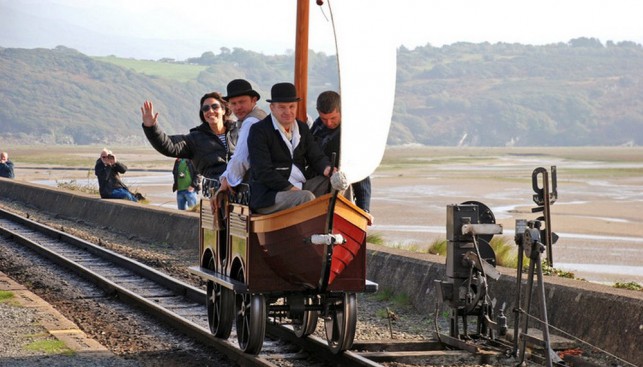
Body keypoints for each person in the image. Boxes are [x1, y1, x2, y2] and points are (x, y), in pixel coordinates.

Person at [247, 82, 333, 214]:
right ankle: (309, 233)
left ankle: (343, 229)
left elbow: (316, 156)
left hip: (301, 186)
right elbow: (262, 171)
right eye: (282, 107)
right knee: (306, 197)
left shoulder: (302, 128)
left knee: (337, 182)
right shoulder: (259, 131)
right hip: (270, 195)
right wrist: (290, 188)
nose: (288, 112)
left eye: (291, 106)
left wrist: (328, 169)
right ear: (272, 108)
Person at [141, 92, 236, 181]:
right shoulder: (194, 139)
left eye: (215, 107)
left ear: (223, 110)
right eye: (205, 108)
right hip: (217, 191)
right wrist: (151, 128)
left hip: (245, 189)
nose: (210, 111)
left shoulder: (240, 131)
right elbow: (168, 145)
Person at [310, 91, 372, 213]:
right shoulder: (317, 126)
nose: (328, 123)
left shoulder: (351, 132)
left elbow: (360, 172)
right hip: (319, 183)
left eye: (333, 118)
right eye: (324, 118)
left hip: (343, 186)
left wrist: (364, 209)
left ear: (341, 110)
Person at [218, 79, 267, 193]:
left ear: (253, 100)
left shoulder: (251, 121)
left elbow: (241, 157)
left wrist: (226, 181)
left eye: (242, 102)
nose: (238, 107)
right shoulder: (259, 116)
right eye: (233, 103)